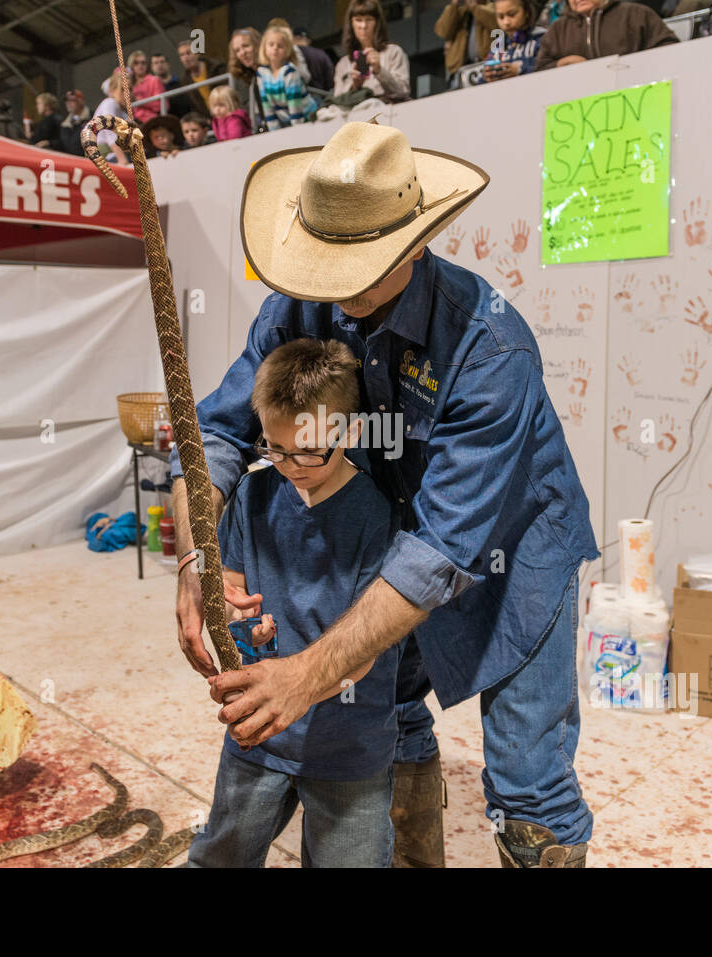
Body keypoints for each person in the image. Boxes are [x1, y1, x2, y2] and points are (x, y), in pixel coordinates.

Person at [171, 122, 599, 869]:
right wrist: (194, 557)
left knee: (527, 780)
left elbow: (440, 551)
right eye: (321, 261)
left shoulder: (489, 349)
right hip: (390, 535)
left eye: (354, 266)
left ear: (410, 244)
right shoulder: (297, 307)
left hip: (511, 550)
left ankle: (540, 839)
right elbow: (220, 432)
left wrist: (308, 672)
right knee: (390, 713)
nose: (329, 287)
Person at [186, 339, 398, 868]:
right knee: (220, 856)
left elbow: (365, 648)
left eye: (308, 451)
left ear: (349, 433)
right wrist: (239, 622)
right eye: (275, 449)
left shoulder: (376, 518)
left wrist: (301, 683)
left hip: (349, 743)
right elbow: (231, 593)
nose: (292, 466)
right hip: (258, 730)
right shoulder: (253, 497)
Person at [319, 0, 411, 123]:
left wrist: (379, 71)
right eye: (358, 20)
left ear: (377, 22)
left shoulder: (393, 52)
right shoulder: (343, 63)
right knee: (325, 113)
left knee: (373, 104)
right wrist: (354, 85)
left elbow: (403, 91)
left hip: (385, 114)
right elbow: (337, 100)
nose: (363, 26)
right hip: (352, 116)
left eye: (369, 19)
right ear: (351, 23)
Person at [534, 0, 678, 70]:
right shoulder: (557, 30)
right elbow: (539, 70)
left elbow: (670, 49)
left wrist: (634, 66)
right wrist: (560, 64)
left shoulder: (636, 14)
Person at [256, 25, 319, 128]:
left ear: (287, 50)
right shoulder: (261, 73)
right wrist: (274, 132)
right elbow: (267, 106)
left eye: (280, 46)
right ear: (264, 48)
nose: (275, 48)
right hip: (287, 120)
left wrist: (297, 131)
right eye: (271, 44)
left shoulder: (290, 72)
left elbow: (295, 106)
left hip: (308, 117)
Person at [473, 0, 544, 83]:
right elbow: (481, 81)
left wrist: (520, 70)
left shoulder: (542, 38)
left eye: (512, 14)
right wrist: (486, 78)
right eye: (501, 17)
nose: (506, 22)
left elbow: (550, 69)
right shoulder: (498, 46)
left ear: (526, 12)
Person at [436, 0, 498, 87]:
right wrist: (454, 4)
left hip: (487, 67)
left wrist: (474, 7)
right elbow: (443, 32)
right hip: (460, 71)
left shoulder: (493, 7)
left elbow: (498, 25)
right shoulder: (458, 11)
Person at [227, 27, 264, 133]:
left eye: (246, 46)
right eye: (237, 50)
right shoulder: (252, 79)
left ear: (257, 45)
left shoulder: (271, 70)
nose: (242, 53)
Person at [177, 39, 225, 115]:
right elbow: (193, 107)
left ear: (197, 53)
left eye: (188, 53)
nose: (185, 58)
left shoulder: (217, 68)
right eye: (182, 55)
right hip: (209, 120)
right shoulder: (185, 82)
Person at [93, 70, 132, 165]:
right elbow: (109, 130)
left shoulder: (124, 113)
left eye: (130, 89)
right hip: (105, 154)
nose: (127, 94)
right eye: (123, 89)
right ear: (111, 91)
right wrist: (121, 159)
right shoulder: (110, 102)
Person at [128, 50, 168, 125]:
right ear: (131, 66)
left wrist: (139, 101)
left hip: (153, 121)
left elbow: (162, 105)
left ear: (147, 65)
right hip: (134, 123)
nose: (140, 65)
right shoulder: (129, 84)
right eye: (136, 63)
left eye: (143, 63)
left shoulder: (154, 80)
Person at [292, 26, 336, 92]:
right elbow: (331, 78)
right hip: (321, 96)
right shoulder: (321, 54)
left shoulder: (291, 54)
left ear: (292, 39)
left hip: (299, 96)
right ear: (309, 40)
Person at [57, 89, 91, 155]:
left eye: (72, 100)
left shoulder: (92, 118)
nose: (68, 103)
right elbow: (63, 144)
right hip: (70, 161)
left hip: (86, 161)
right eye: (66, 101)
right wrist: (50, 143)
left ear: (81, 101)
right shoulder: (65, 123)